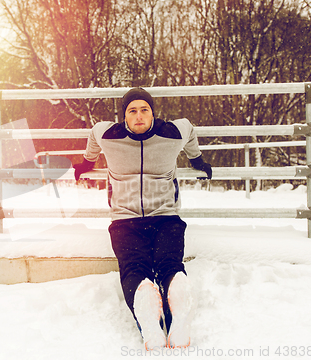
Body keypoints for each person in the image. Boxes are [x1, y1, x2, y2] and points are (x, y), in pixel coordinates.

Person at [73, 87, 212, 351]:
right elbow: (94, 135)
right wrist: (88, 162)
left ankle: (152, 316)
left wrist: (197, 159)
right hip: (126, 221)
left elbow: (189, 130)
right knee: (158, 264)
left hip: (164, 217)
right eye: (132, 111)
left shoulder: (171, 133)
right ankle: (167, 308)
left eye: (144, 110)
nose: (139, 116)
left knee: (145, 266)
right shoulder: (108, 134)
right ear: (124, 116)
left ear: (152, 112)